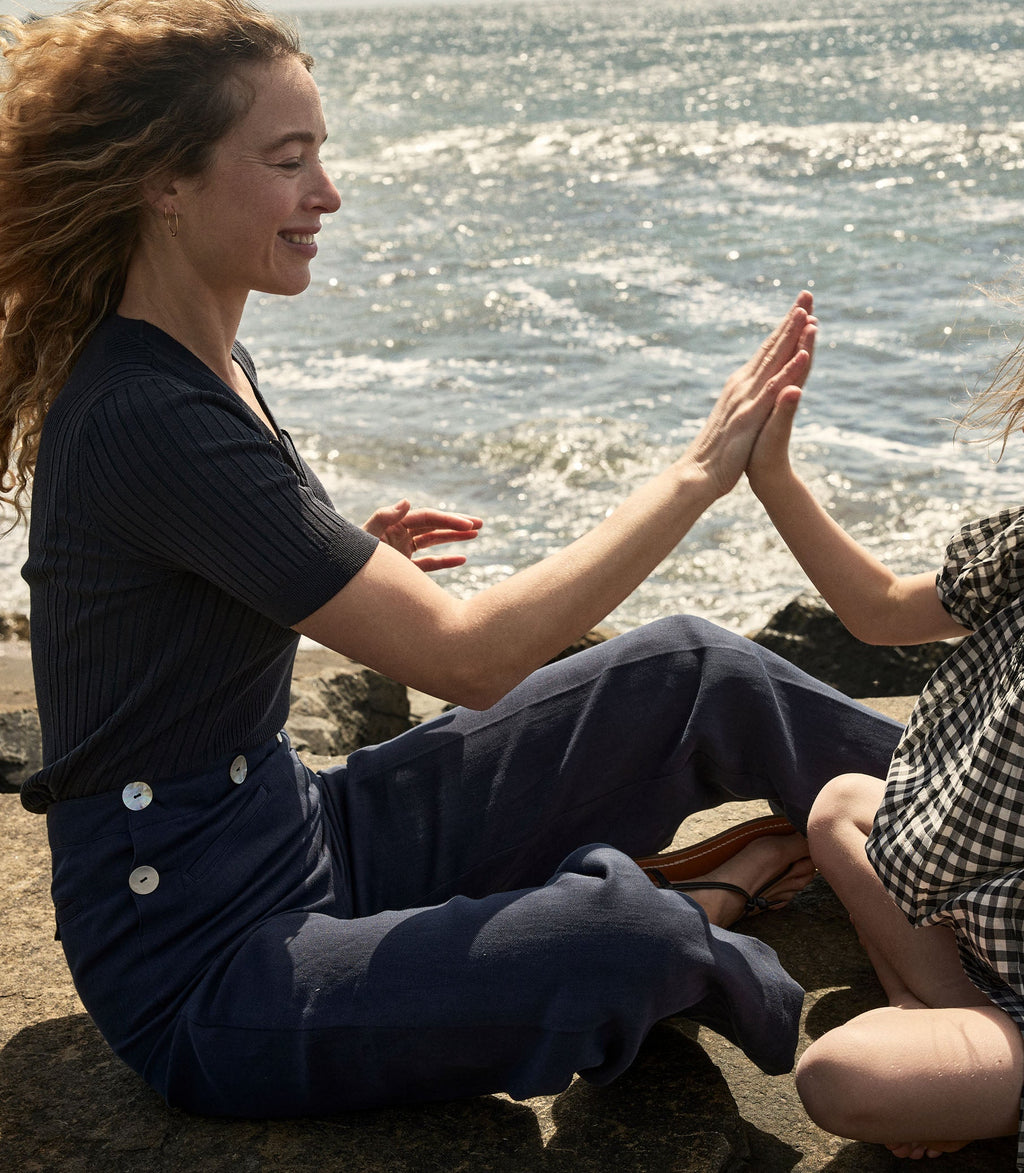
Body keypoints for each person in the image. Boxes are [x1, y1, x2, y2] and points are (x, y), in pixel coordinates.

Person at [0, 0, 900, 1120]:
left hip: (304, 831)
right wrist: (699, 475)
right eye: (289, 162)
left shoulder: (202, 356)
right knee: (616, 940)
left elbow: (169, 608)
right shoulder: (147, 406)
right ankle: (710, 905)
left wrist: (334, 568)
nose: (327, 194)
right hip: (201, 963)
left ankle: (966, 830)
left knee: (691, 668)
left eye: (320, 156)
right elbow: (469, 664)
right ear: (163, 183)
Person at [743, 304, 1024, 1164]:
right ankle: (950, 1010)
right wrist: (772, 474)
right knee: (840, 808)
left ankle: (961, 1054)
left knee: (837, 1075)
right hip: (983, 919)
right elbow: (877, 612)